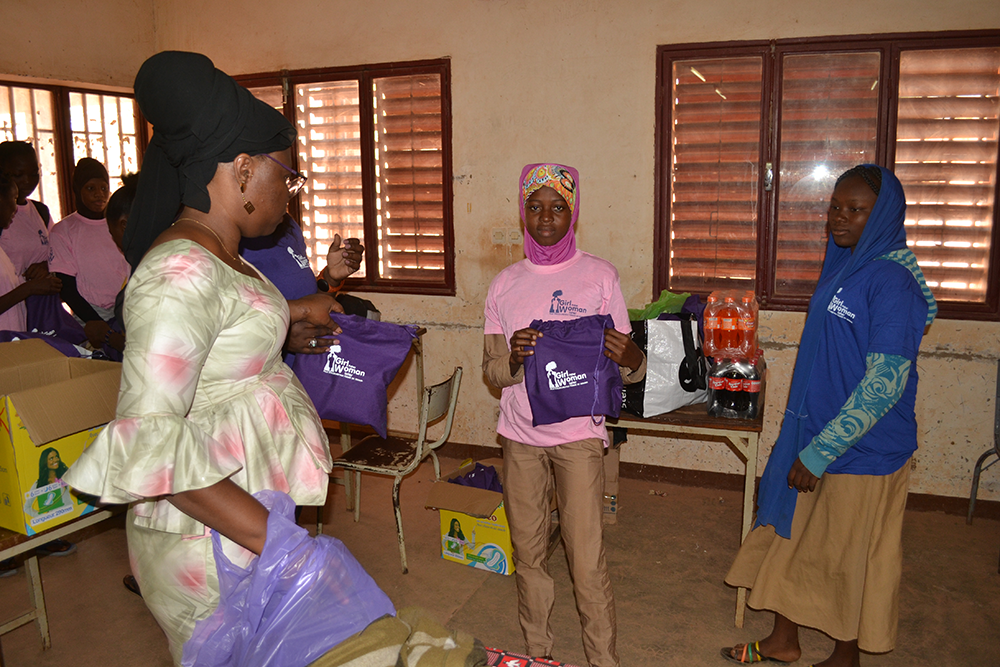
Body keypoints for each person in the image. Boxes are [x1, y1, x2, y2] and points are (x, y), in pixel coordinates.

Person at [62, 51, 354, 664]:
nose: (290, 193)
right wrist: (283, 545)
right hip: (208, 536)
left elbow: (219, 345)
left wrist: (289, 325)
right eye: (288, 176)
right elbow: (154, 443)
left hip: (245, 516)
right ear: (244, 167)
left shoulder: (222, 252)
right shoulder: (178, 272)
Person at [721, 165, 937, 667]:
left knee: (848, 556)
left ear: (882, 215)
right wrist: (803, 438)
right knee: (787, 534)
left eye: (856, 210)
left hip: (864, 447)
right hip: (813, 428)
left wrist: (821, 452)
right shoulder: (845, 263)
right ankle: (784, 640)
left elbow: (884, 385)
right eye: (835, 207)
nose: (839, 219)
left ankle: (846, 656)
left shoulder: (893, 284)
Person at [482, 163, 645, 667]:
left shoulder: (600, 276)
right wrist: (513, 358)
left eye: (557, 207)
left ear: (573, 212)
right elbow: (493, 372)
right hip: (521, 437)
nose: (545, 218)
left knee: (586, 559)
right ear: (522, 212)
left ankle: (603, 661)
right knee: (528, 555)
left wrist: (632, 358)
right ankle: (538, 654)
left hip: (578, 439)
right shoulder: (503, 285)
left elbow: (630, 368)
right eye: (535, 207)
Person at [49, 157, 130, 343]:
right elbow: (66, 286)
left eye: (103, 188)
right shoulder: (64, 231)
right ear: (77, 190)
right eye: (90, 188)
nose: (99, 194)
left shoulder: (119, 223)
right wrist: (96, 323)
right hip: (90, 315)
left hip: (127, 306)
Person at [0, 141, 53, 279]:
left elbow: (59, 253)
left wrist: (46, 266)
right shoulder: (3, 216)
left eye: (34, 174)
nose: (28, 181)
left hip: (41, 299)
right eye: (18, 174)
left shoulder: (40, 211)